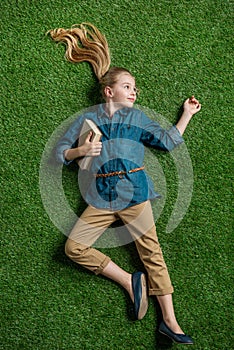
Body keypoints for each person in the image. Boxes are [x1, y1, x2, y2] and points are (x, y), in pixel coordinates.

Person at [48, 23, 201, 345]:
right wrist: (82, 150)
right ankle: (129, 281)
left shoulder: (138, 118)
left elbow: (168, 142)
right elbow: (60, 154)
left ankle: (170, 322)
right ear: (109, 91)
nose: (134, 92)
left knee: (153, 255)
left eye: (134, 87)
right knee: (73, 248)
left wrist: (186, 114)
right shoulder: (86, 120)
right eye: (128, 86)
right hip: (101, 196)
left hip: (135, 192)